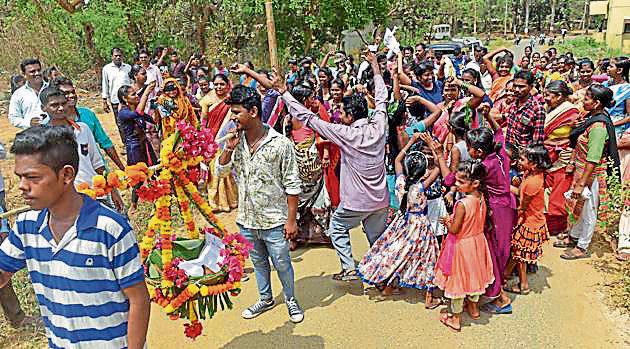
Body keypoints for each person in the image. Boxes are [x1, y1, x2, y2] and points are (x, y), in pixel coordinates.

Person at [0, 126, 150, 348]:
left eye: (32, 177)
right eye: (19, 177)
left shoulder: (109, 229)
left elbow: (139, 299)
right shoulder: (26, 227)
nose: (22, 187)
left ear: (67, 175)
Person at [280, 51, 389, 281]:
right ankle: (384, 276)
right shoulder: (379, 125)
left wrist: (285, 94)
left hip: (356, 201)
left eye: (341, 112)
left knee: (337, 228)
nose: (338, 114)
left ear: (349, 115)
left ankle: (349, 268)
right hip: (380, 199)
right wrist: (376, 69)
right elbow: (381, 99)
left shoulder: (345, 133)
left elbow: (310, 119)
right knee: (377, 239)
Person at [217, 85, 304, 323]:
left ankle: (291, 300)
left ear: (253, 111)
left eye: (236, 112)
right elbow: (222, 172)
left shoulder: (280, 144)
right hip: (247, 219)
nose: (232, 118)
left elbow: (292, 184)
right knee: (258, 263)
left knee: (282, 263)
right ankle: (265, 298)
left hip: (275, 220)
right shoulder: (236, 141)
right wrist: (228, 149)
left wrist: (291, 220)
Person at [358, 134, 441, 307]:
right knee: (427, 257)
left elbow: (397, 160)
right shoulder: (420, 187)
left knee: (398, 253)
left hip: (402, 222)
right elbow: (439, 169)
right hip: (420, 226)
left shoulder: (401, 183)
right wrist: (433, 147)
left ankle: (389, 286)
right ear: (423, 171)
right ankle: (429, 297)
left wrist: (410, 143)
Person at [40, 86, 124, 212]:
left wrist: (112, 190)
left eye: (63, 103)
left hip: (96, 193)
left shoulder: (83, 129)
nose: (61, 108)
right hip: (67, 200)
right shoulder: (43, 138)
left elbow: (97, 163)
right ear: (43, 108)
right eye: (54, 105)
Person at [560, 84, 620, 260]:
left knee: (589, 210)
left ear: (596, 103)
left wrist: (581, 183)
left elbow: (593, 158)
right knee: (580, 206)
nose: (581, 101)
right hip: (582, 171)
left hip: (592, 175)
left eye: (586, 98)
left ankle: (583, 246)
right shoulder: (590, 118)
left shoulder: (598, 127)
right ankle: (574, 236)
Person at [434, 160, 494, 332]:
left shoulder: (462, 204)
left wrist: (447, 221)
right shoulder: (481, 197)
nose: (456, 184)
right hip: (477, 243)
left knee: (458, 282)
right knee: (474, 277)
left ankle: (455, 318)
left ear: (475, 183)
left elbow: (454, 229)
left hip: (462, 246)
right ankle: (474, 308)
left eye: (461, 181)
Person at [503, 144, 551, 295]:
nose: (519, 161)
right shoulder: (531, 174)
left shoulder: (532, 183)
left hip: (530, 222)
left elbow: (523, 204)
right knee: (518, 249)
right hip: (532, 219)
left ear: (534, 164)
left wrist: (518, 217)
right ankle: (506, 273)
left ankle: (523, 285)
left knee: (520, 254)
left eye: (523, 159)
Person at [50, 76, 126, 171]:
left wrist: (122, 168)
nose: (71, 96)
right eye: (66, 93)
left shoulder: (87, 114)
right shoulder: (50, 125)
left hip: (98, 172)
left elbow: (105, 142)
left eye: (72, 92)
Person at [542, 81, 581, 236]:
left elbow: (576, 137)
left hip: (563, 156)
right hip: (547, 153)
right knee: (548, 189)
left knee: (560, 191)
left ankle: (560, 226)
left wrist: (571, 160)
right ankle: (549, 222)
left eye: (548, 95)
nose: (545, 98)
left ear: (559, 96)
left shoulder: (571, 112)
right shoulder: (547, 109)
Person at [200, 73, 238, 213]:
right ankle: (215, 202)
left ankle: (232, 200)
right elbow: (203, 122)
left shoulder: (231, 99)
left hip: (227, 136)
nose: (219, 87)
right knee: (214, 169)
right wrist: (205, 139)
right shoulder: (207, 99)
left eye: (222, 84)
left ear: (227, 85)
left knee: (227, 166)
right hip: (212, 138)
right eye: (216, 84)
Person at [117, 83, 158, 212]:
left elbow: (150, 119)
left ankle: (158, 199)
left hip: (144, 143)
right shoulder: (123, 112)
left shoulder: (134, 109)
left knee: (154, 171)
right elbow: (139, 112)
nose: (136, 96)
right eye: (133, 94)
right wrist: (146, 93)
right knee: (137, 177)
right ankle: (134, 204)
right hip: (134, 148)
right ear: (125, 98)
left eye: (136, 93)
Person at [506, 70, 546, 150]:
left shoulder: (537, 109)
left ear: (531, 87)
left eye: (521, 87)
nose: (517, 89)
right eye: (515, 86)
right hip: (509, 150)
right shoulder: (513, 104)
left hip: (523, 155)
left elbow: (537, 141)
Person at [102, 48, 133, 144]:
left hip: (129, 100)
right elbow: (105, 84)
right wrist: (104, 100)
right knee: (120, 122)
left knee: (132, 120)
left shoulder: (128, 68)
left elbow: (132, 83)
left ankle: (133, 140)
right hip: (115, 100)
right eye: (116, 55)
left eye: (119, 55)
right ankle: (125, 143)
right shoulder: (106, 69)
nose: (118, 57)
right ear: (112, 56)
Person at [8, 58, 45, 129]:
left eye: (39, 70)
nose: (37, 73)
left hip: (53, 134)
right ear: (24, 74)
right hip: (32, 135)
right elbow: (13, 118)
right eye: (32, 71)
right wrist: (29, 123)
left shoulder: (52, 88)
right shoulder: (18, 94)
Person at [603, 57, 630, 137]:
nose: (607, 68)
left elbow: (629, 117)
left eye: (611, 66)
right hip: (601, 120)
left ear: (619, 70)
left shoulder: (627, 89)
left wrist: (611, 124)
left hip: (615, 125)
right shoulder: (605, 84)